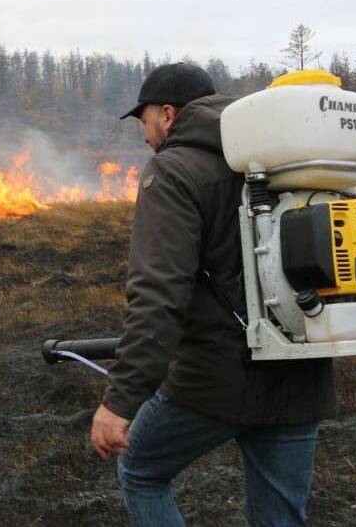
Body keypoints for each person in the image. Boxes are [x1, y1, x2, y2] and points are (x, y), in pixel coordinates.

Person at [90, 63, 336, 526]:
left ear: (167, 114)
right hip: (300, 374)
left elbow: (159, 295)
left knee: (141, 473)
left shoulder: (172, 170)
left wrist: (120, 401)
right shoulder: (279, 158)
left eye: (143, 121)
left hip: (215, 383)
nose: (143, 135)